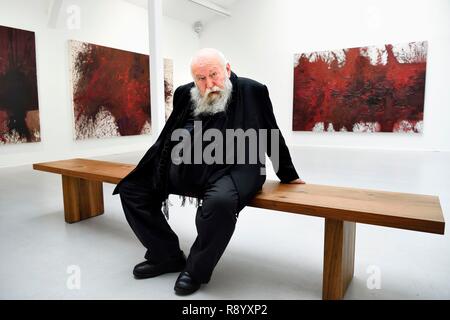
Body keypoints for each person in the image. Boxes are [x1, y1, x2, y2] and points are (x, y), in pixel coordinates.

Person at [113, 48, 305, 295]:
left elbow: (271, 133)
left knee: (220, 203)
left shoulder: (252, 90)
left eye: (214, 75)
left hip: (237, 167)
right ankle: (166, 255)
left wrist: (287, 174)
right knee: (133, 189)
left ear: (227, 69)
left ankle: (195, 269)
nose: (209, 84)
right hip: (189, 165)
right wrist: (154, 166)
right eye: (200, 79)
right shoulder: (184, 93)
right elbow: (171, 133)